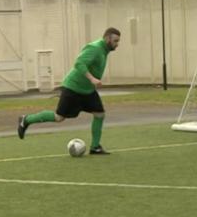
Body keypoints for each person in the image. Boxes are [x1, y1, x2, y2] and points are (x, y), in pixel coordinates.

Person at [17, 27, 121, 155]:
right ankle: (26, 120)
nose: (117, 44)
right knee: (59, 117)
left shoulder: (104, 50)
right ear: (107, 38)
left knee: (99, 114)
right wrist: (92, 79)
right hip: (73, 88)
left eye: (118, 41)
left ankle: (95, 147)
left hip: (87, 91)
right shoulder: (94, 48)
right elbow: (79, 63)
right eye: (115, 41)